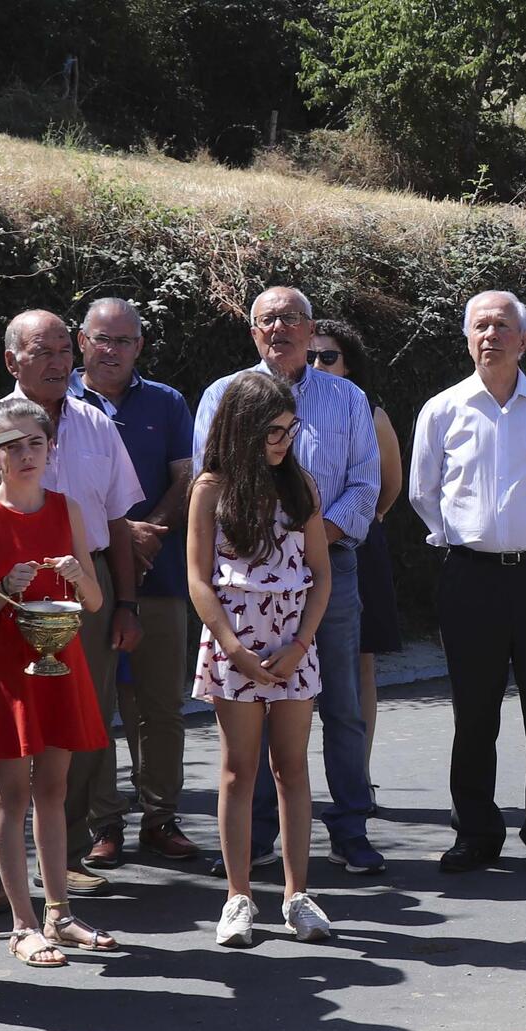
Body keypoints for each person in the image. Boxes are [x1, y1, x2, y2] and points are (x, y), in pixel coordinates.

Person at [0, 310, 145, 909]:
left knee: (76, 730)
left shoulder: (96, 423)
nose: (59, 361)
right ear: (12, 361)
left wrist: (122, 601)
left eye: (64, 349)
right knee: (4, 755)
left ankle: (65, 862)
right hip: (6, 606)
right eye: (42, 351)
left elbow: (116, 521)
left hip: (82, 588)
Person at [195, 285, 384, 876]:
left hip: (327, 569)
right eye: (266, 320)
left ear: (310, 328)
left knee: (343, 706)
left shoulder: (348, 397)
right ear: (253, 332)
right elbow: (212, 478)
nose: (279, 329)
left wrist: (308, 540)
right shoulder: (223, 395)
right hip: (243, 585)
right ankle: (252, 843)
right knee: (250, 711)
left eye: (291, 319)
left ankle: (351, 831)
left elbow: (365, 486)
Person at [409, 291, 526, 874]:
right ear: (466, 339)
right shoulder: (443, 409)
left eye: (503, 326)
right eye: (480, 326)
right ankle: (476, 832)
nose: (491, 335)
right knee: (474, 713)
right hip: (472, 580)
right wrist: (466, 536)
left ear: (525, 341)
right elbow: (422, 493)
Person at [0, 401, 119, 965]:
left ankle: (60, 913)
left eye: (36, 445)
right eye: (14, 446)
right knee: (13, 791)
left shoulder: (67, 508)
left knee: (55, 789)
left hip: (61, 662)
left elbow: (94, 600)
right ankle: (22, 924)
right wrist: (3, 585)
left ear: (51, 451)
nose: (27, 455)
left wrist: (78, 574)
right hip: (7, 671)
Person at [187, 372, 335, 947]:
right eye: (273, 431)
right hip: (235, 644)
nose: (283, 441)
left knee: (292, 769)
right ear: (243, 429)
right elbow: (199, 580)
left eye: (290, 430)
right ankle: (238, 897)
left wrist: (299, 645)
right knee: (237, 770)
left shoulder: (302, 486)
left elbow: (321, 577)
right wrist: (234, 649)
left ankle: (298, 896)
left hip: (294, 641)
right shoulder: (211, 488)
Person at [73, 296, 203, 865]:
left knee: (160, 707)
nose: (112, 350)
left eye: (124, 341)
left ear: (140, 347)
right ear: (82, 342)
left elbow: (188, 478)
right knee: (96, 705)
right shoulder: (61, 404)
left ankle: (161, 817)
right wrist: (118, 533)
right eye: (102, 339)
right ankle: (103, 823)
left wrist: (148, 534)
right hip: (91, 575)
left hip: (162, 572)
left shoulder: (169, 402)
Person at [309, 318, 406, 791]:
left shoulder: (368, 409)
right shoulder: (277, 405)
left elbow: (389, 485)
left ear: (348, 364)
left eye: (329, 356)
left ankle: (357, 777)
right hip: (288, 556)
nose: (318, 364)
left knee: (358, 664)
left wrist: (357, 521)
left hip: (355, 546)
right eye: (311, 356)